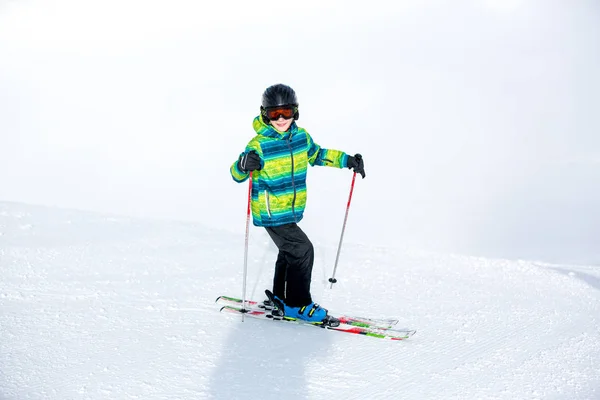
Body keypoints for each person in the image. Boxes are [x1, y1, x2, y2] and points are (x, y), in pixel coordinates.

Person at [230, 83, 365, 323]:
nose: (281, 119)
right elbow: (237, 173)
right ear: (264, 114)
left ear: (296, 112)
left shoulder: (302, 137)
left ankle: (282, 297)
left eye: (286, 112)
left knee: (290, 251)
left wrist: (347, 160)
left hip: (291, 210)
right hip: (271, 212)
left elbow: (318, 154)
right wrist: (244, 164)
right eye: (274, 114)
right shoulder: (259, 144)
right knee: (302, 250)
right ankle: (298, 304)